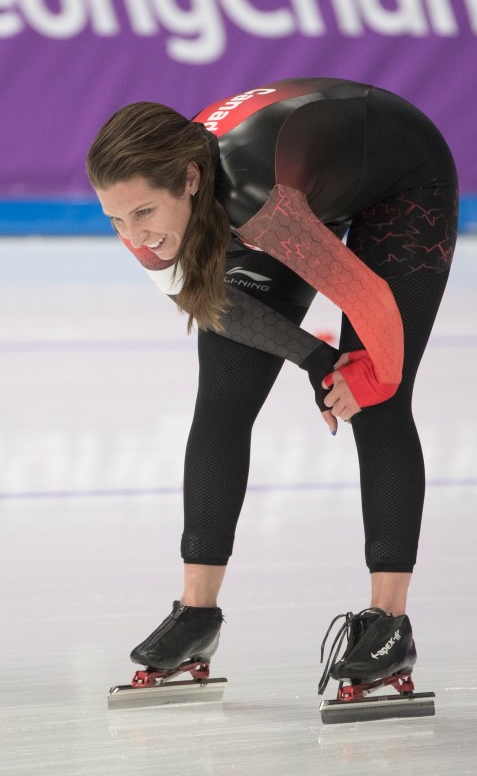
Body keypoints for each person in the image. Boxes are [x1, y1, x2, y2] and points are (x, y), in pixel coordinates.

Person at [88, 78, 457, 720]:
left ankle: (389, 625)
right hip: (306, 181)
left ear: (190, 180)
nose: (135, 238)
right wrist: (317, 359)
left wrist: (363, 375)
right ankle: (196, 613)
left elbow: (371, 305)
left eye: (144, 215)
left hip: (402, 175)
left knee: (378, 401)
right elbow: (211, 303)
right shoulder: (149, 204)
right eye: (115, 220)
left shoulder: (256, 199)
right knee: (222, 396)